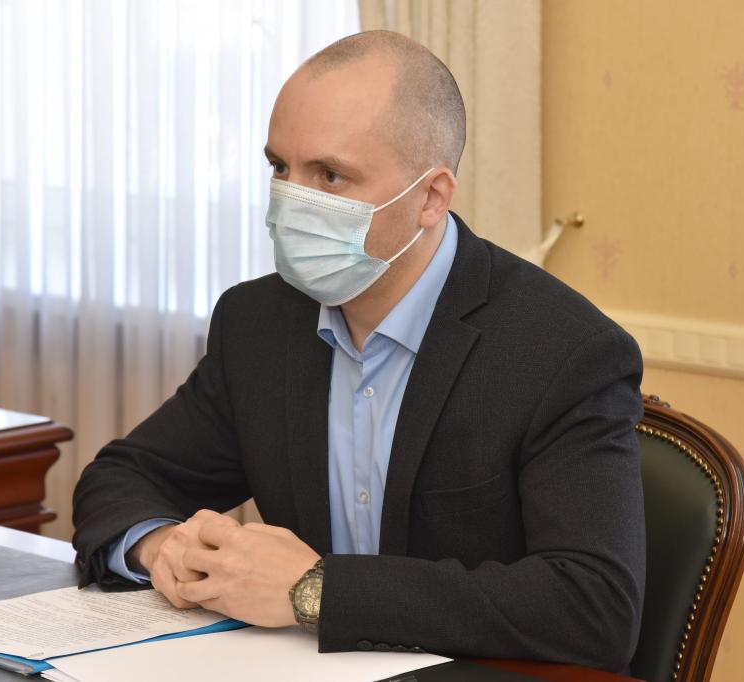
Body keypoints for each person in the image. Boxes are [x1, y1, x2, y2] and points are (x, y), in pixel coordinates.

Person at [72, 30, 645, 673]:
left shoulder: (563, 351)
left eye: (330, 175)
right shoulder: (260, 322)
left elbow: (594, 605)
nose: (292, 200)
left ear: (431, 197)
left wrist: (316, 592)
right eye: (280, 168)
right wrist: (162, 547)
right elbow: (123, 478)